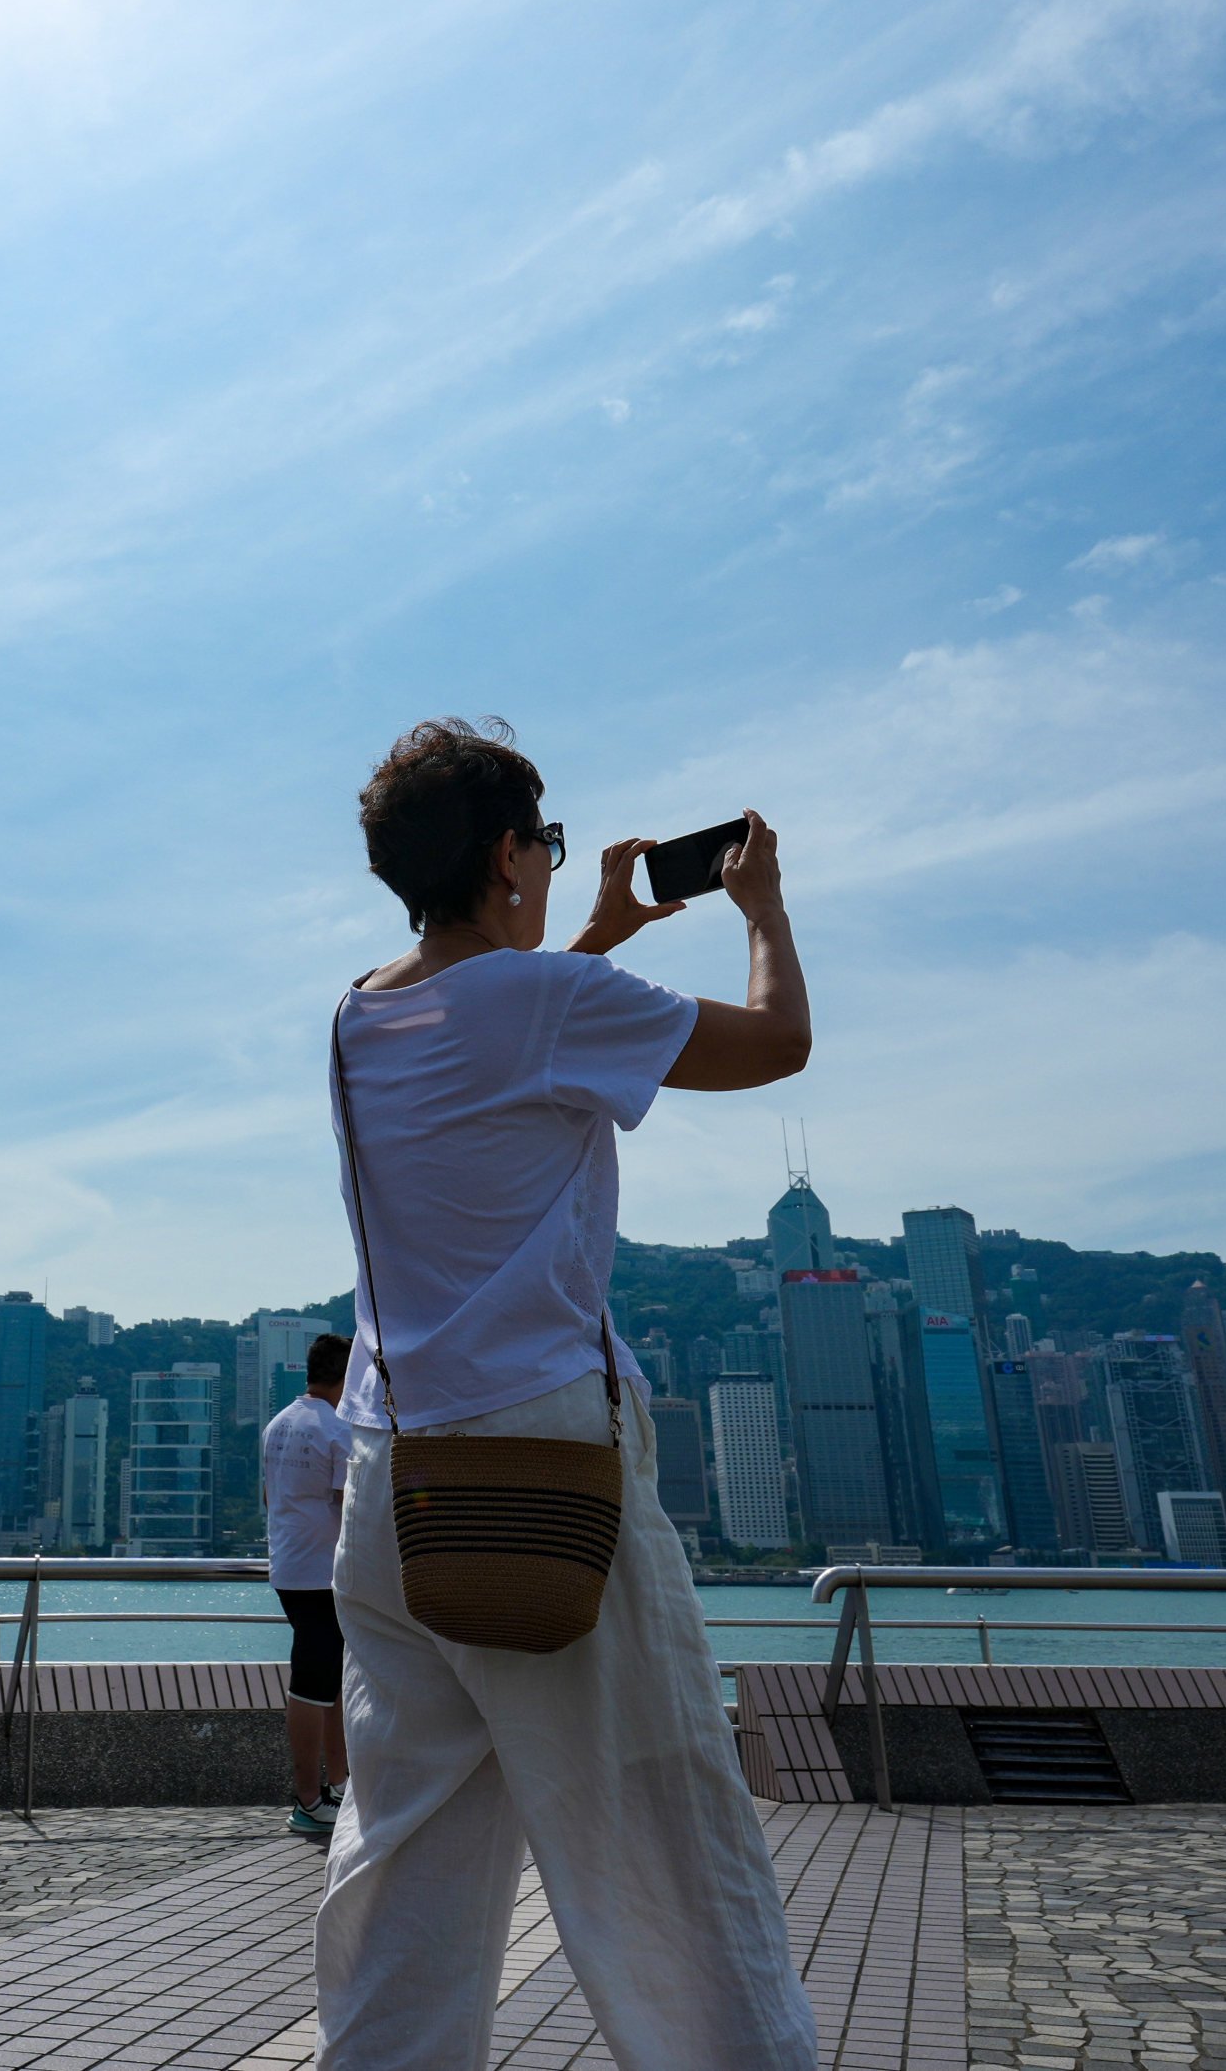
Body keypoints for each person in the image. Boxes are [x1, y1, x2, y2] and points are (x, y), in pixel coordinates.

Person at [313, 718, 818, 2071]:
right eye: (537, 840)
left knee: (403, 1862)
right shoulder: (538, 1003)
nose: (543, 859)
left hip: (390, 1477)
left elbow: (511, 1021)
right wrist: (758, 907)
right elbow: (776, 1040)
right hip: (542, 1472)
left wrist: (590, 928)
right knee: (666, 1849)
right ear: (500, 851)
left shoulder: (364, 1009)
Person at [261, 1328, 354, 1838]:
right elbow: (351, 1508)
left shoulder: (279, 1423)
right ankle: (308, 1799)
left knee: (332, 1681)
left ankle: (337, 1785)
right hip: (325, 1571)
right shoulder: (338, 1431)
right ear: (348, 1376)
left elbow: (268, 1497)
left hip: (289, 1565)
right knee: (313, 1684)